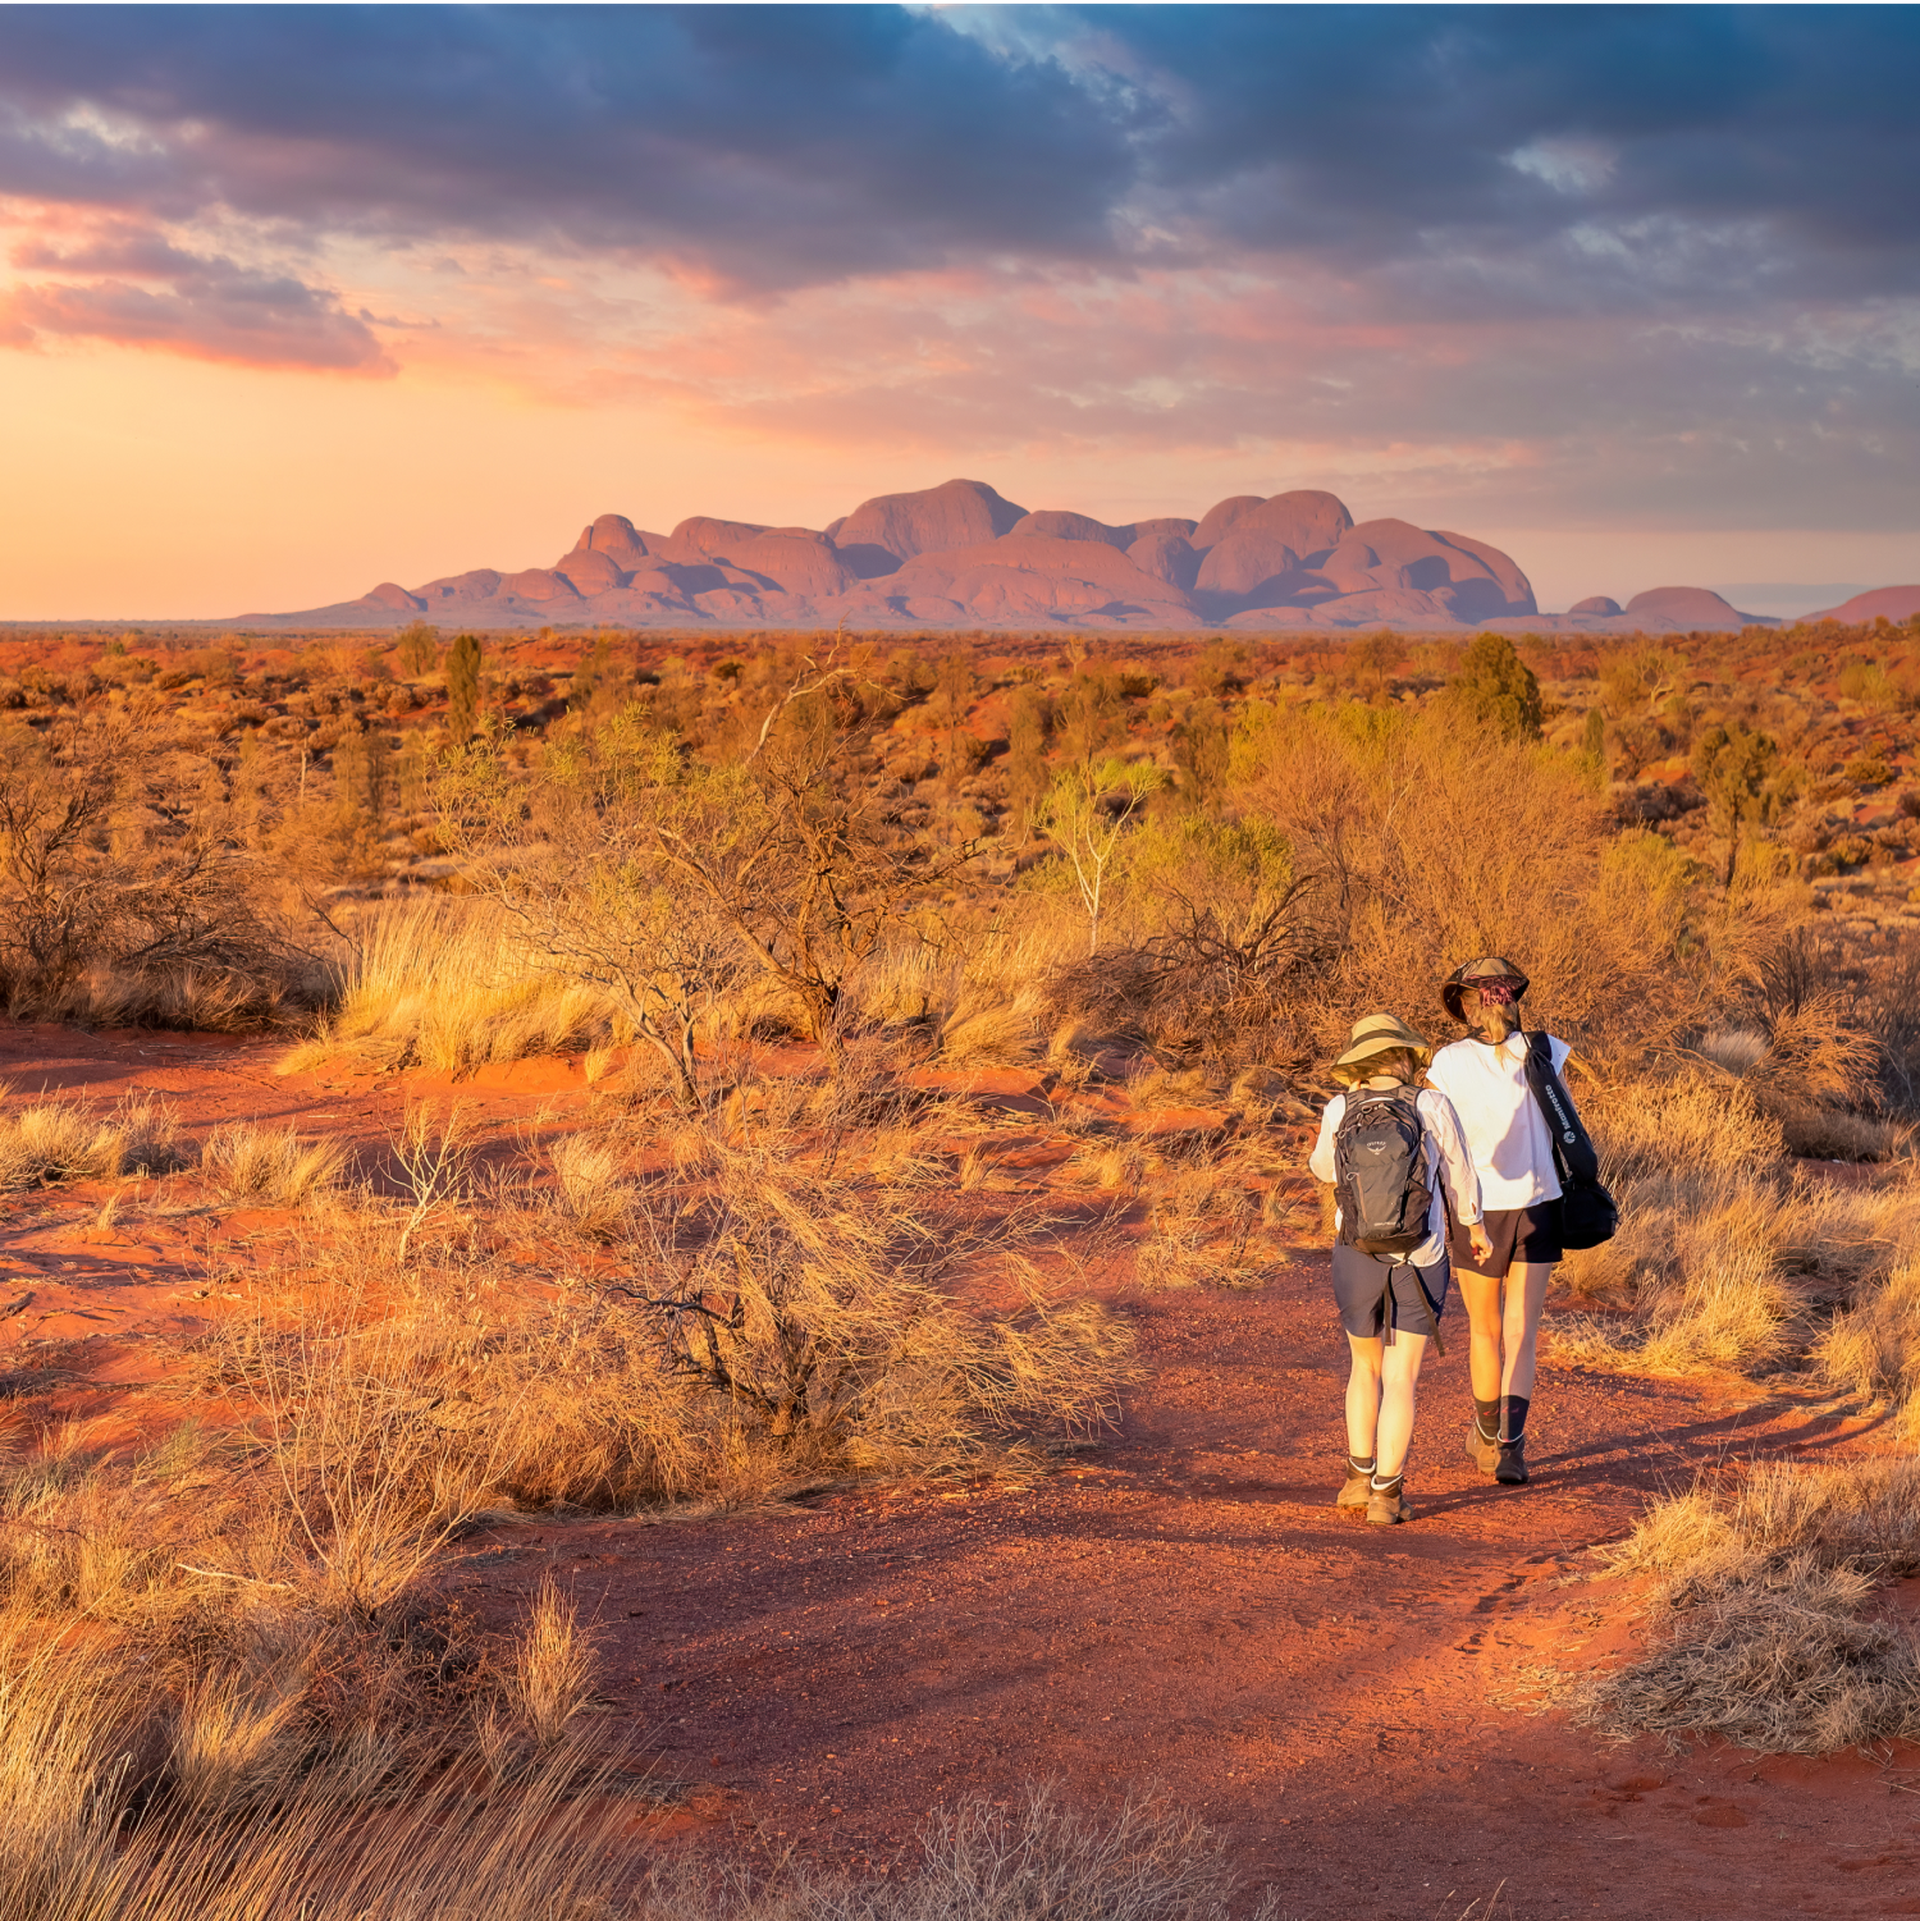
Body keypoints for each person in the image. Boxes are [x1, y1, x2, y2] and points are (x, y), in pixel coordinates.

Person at [1309, 1013, 1490, 1526]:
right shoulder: (1430, 1104)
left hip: (1356, 1253)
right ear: (1406, 1056)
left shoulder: (1340, 1107)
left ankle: (1356, 1479)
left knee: (1362, 1368)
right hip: (1421, 1255)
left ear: (1359, 1061)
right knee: (1401, 1375)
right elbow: (1459, 1175)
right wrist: (1474, 1229)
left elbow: (1323, 1170)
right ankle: (1387, 1496)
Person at [1425, 956, 1579, 1488]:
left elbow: (1438, 1134)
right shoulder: (1545, 1049)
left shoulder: (1447, 1062)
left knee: (1485, 1331)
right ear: (1513, 1000)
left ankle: (1488, 1439)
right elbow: (1567, 1122)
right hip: (1541, 1203)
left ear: (1467, 1005)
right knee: (1522, 1332)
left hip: (1478, 1211)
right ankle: (1512, 1450)